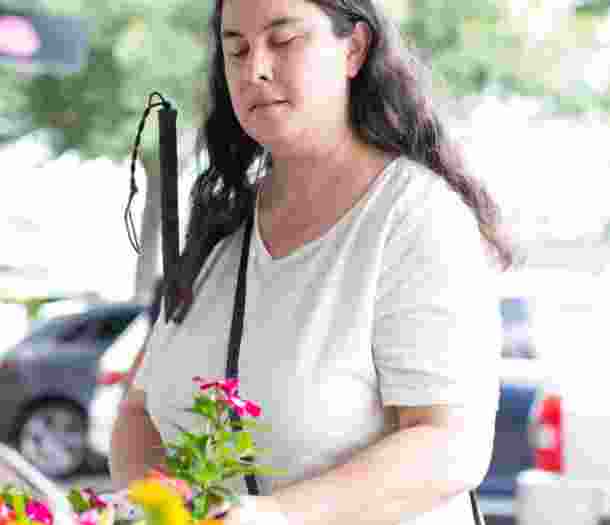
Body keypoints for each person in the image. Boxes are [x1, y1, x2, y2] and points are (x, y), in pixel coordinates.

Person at [110, 0, 515, 524]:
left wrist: (275, 516)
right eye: (236, 49)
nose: (255, 67)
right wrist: (166, 511)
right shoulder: (222, 226)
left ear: (355, 48)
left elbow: (449, 444)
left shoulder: (415, 217)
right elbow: (139, 413)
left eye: (283, 41)